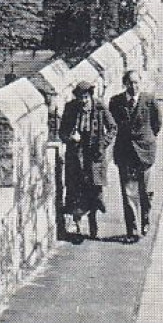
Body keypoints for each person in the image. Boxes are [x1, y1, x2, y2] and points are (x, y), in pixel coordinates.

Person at [109, 70, 162, 241]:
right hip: (125, 153)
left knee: (145, 191)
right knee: (129, 193)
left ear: (141, 83)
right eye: (130, 83)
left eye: (136, 82)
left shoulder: (149, 100)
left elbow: (157, 123)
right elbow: (113, 125)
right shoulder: (116, 102)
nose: (133, 86)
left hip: (145, 151)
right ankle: (132, 231)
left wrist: (147, 139)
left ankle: (145, 218)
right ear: (125, 83)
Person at [59, 78, 114, 239]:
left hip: (94, 155)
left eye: (85, 97)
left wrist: (102, 144)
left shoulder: (99, 107)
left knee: (94, 190)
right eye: (80, 98)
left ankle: (93, 219)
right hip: (76, 156)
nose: (83, 101)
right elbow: (62, 132)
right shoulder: (70, 108)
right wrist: (70, 137)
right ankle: (77, 225)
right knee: (76, 191)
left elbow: (112, 128)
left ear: (90, 96)